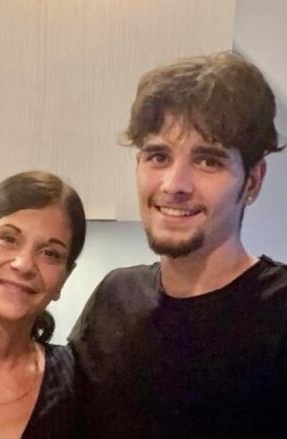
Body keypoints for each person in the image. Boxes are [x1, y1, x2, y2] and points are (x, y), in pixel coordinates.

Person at [68, 51, 287, 438]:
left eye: (208, 161)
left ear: (252, 181)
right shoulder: (114, 299)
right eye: (158, 156)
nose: (174, 185)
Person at [0, 171, 86, 438]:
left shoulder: (76, 384)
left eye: (50, 253)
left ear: (65, 277)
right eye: (9, 239)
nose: (23, 264)